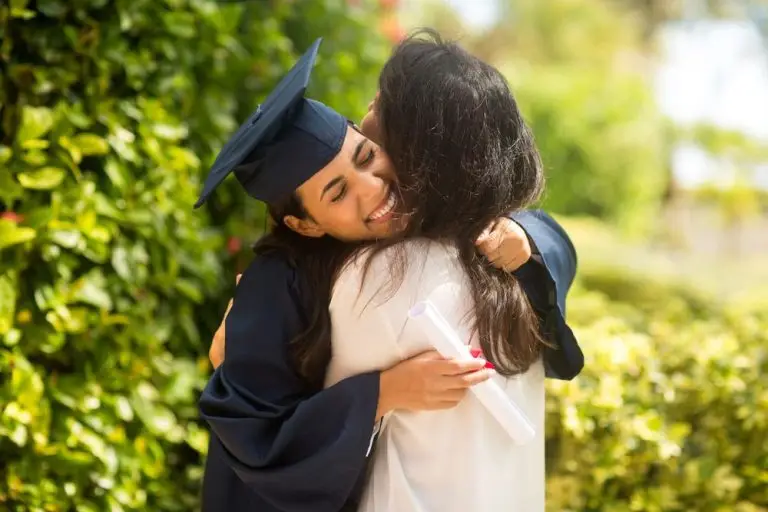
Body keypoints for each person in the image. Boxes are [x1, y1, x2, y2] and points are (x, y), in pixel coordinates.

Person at [196, 37, 579, 512]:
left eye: (366, 156)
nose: (374, 190)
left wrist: (524, 236)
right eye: (337, 194)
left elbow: (543, 229)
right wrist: (380, 393)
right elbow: (256, 437)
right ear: (303, 224)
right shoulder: (279, 280)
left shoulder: (418, 225)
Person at [326, 31, 550, 511]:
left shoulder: (382, 278)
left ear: (413, 148)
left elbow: (307, 425)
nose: (365, 113)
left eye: (380, 102)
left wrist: (239, 354)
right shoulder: (520, 271)